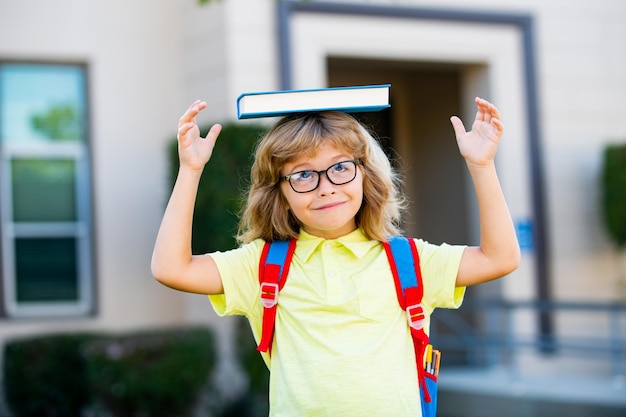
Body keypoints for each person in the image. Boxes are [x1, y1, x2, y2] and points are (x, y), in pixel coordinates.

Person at [151, 97, 521, 417]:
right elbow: (171, 268)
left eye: (340, 168)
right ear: (280, 193)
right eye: (303, 175)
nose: (326, 188)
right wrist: (191, 170)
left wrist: (482, 165)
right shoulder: (261, 266)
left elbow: (500, 258)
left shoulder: (409, 261)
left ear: (365, 175)